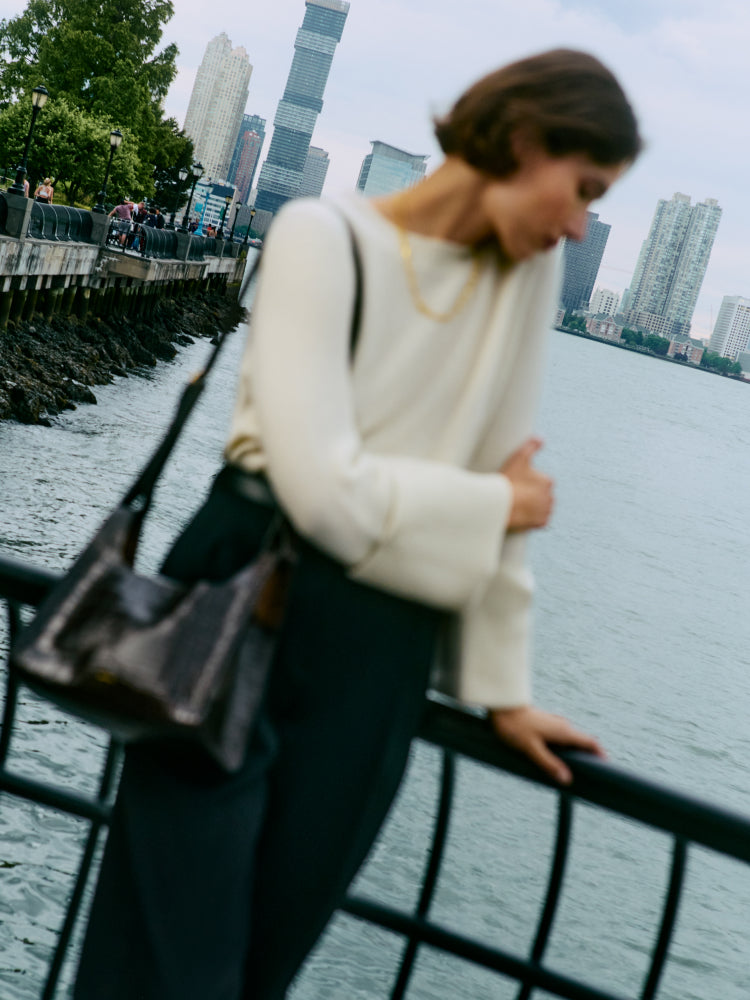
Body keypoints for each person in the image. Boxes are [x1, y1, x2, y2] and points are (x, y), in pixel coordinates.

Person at [73, 48, 641, 1000]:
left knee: (262, 966)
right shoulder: (317, 238)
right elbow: (318, 493)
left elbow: (500, 470)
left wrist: (500, 690)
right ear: (521, 137)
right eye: (581, 189)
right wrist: (492, 505)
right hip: (240, 592)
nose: (580, 227)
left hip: (384, 656)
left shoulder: (523, 279)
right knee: (169, 966)